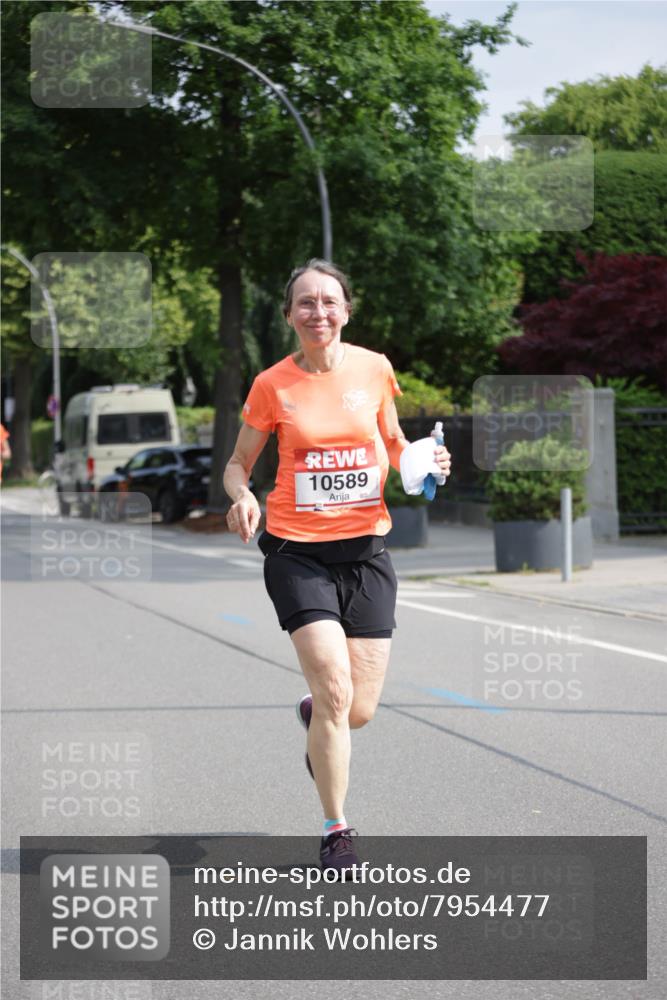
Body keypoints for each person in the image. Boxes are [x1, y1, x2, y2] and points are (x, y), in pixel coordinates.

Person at [223, 259, 451, 874]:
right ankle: (336, 830)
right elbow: (239, 462)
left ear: (346, 310)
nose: (318, 312)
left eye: (329, 301)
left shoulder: (375, 369)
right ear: (289, 315)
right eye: (305, 303)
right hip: (298, 554)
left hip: (367, 554)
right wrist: (241, 496)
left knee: (357, 710)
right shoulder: (273, 384)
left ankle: (316, 716)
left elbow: (395, 442)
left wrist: (427, 461)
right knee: (334, 688)